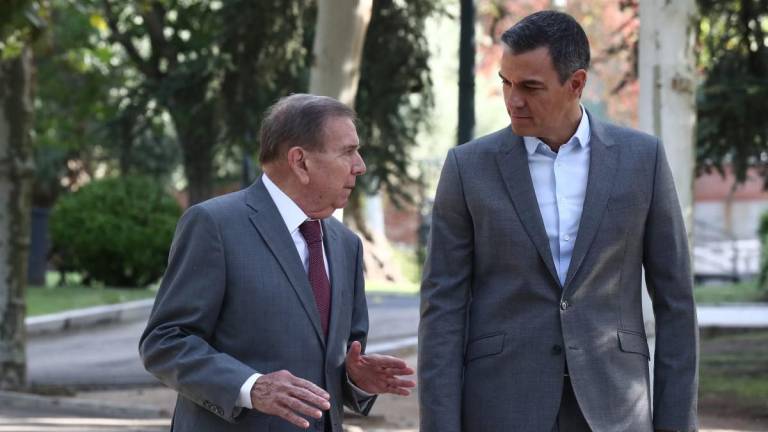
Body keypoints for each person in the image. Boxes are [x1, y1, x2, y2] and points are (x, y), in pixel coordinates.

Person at [418, 10, 697, 432]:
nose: (513, 99)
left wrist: (675, 424)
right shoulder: (467, 168)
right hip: (502, 405)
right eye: (506, 83)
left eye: (530, 87)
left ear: (576, 83)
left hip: (614, 407)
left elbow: (676, 303)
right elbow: (442, 308)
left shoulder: (643, 160)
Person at [140, 93, 415, 432]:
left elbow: (336, 362)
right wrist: (250, 386)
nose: (360, 165)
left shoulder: (347, 245)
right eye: (347, 152)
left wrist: (355, 379)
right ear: (300, 161)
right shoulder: (214, 225)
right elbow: (165, 341)